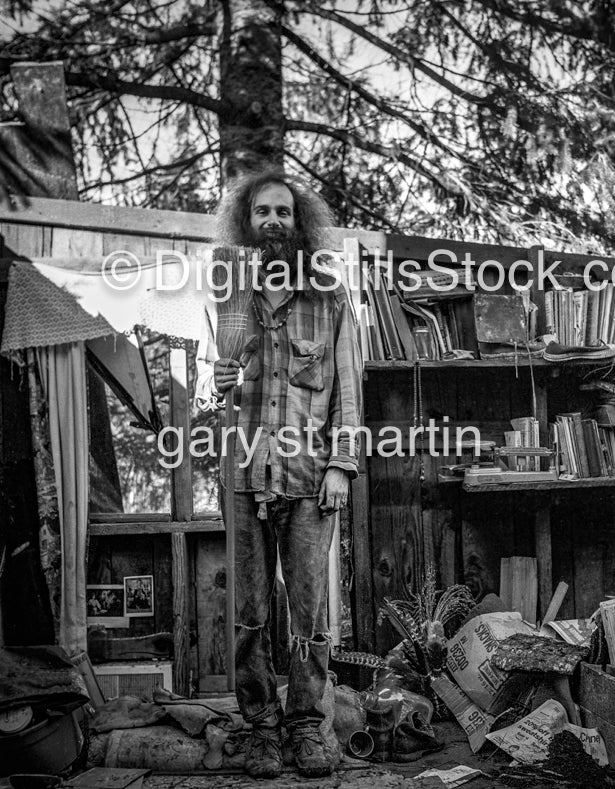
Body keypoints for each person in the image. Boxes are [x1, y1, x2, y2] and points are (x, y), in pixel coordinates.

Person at [195, 167, 362, 778]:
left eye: (283, 212)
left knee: (311, 612)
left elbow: (347, 388)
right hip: (242, 475)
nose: (272, 221)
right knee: (250, 612)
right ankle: (260, 728)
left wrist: (342, 464)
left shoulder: (328, 299)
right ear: (246, 223)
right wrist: (215, 384)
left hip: (311, 478)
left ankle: (305, 727)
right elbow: (204, 395)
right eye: (262, 211)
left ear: (299, 225)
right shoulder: (224, 298)